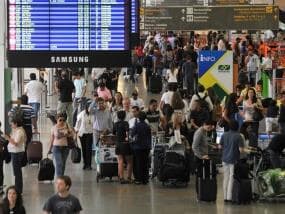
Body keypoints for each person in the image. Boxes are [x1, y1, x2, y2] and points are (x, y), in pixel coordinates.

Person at [219, 120, 245, 202]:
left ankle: (225, 197)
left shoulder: (224, 134)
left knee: (225, 177)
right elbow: (241, 150)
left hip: (224, 158)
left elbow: (220, 146)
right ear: (237, 127)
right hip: (233, 159)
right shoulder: (239, 136)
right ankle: (230, 197)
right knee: (231, 177)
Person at [5, 118, 26, 194]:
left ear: (16, 124)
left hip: (17, 153)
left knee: (17, 172)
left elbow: (16, 143)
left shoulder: (20, 131)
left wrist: (8, 138)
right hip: (15, 152)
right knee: (16, 172)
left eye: (12, 123)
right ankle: (18, 188)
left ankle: (18, 189)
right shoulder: (16, 131)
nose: (11, 125)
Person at [131, 112, 152, 185]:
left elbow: (132, 134)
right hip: (146, 147)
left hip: (138, 147)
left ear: (138, 118)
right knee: (145, 163)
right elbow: (150, 136)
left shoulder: (136, 125)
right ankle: (145, 179)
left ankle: (139, 179)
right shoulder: (147, 126)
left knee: (138, 163)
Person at [113, 111, 133, 184]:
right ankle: (129, 178)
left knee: (120, 161)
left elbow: (113, 133)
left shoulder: (116, 124)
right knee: (129, 161)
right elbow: (128, 132)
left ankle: (121, 178)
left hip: (118, 144)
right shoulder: (126, 123)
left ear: (118, 117)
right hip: (125, 144)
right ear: (124, 116)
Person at [74, 102, 93, 170]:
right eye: (89, 107)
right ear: (87, 107)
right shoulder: (82, 113)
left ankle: (89, 164)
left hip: (90, 133)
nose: (90, 109)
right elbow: (77, 122)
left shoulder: (93, 114)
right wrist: (76, 131)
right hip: (82, 133)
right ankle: (85, 164)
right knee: (84, 149)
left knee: (89, 149)